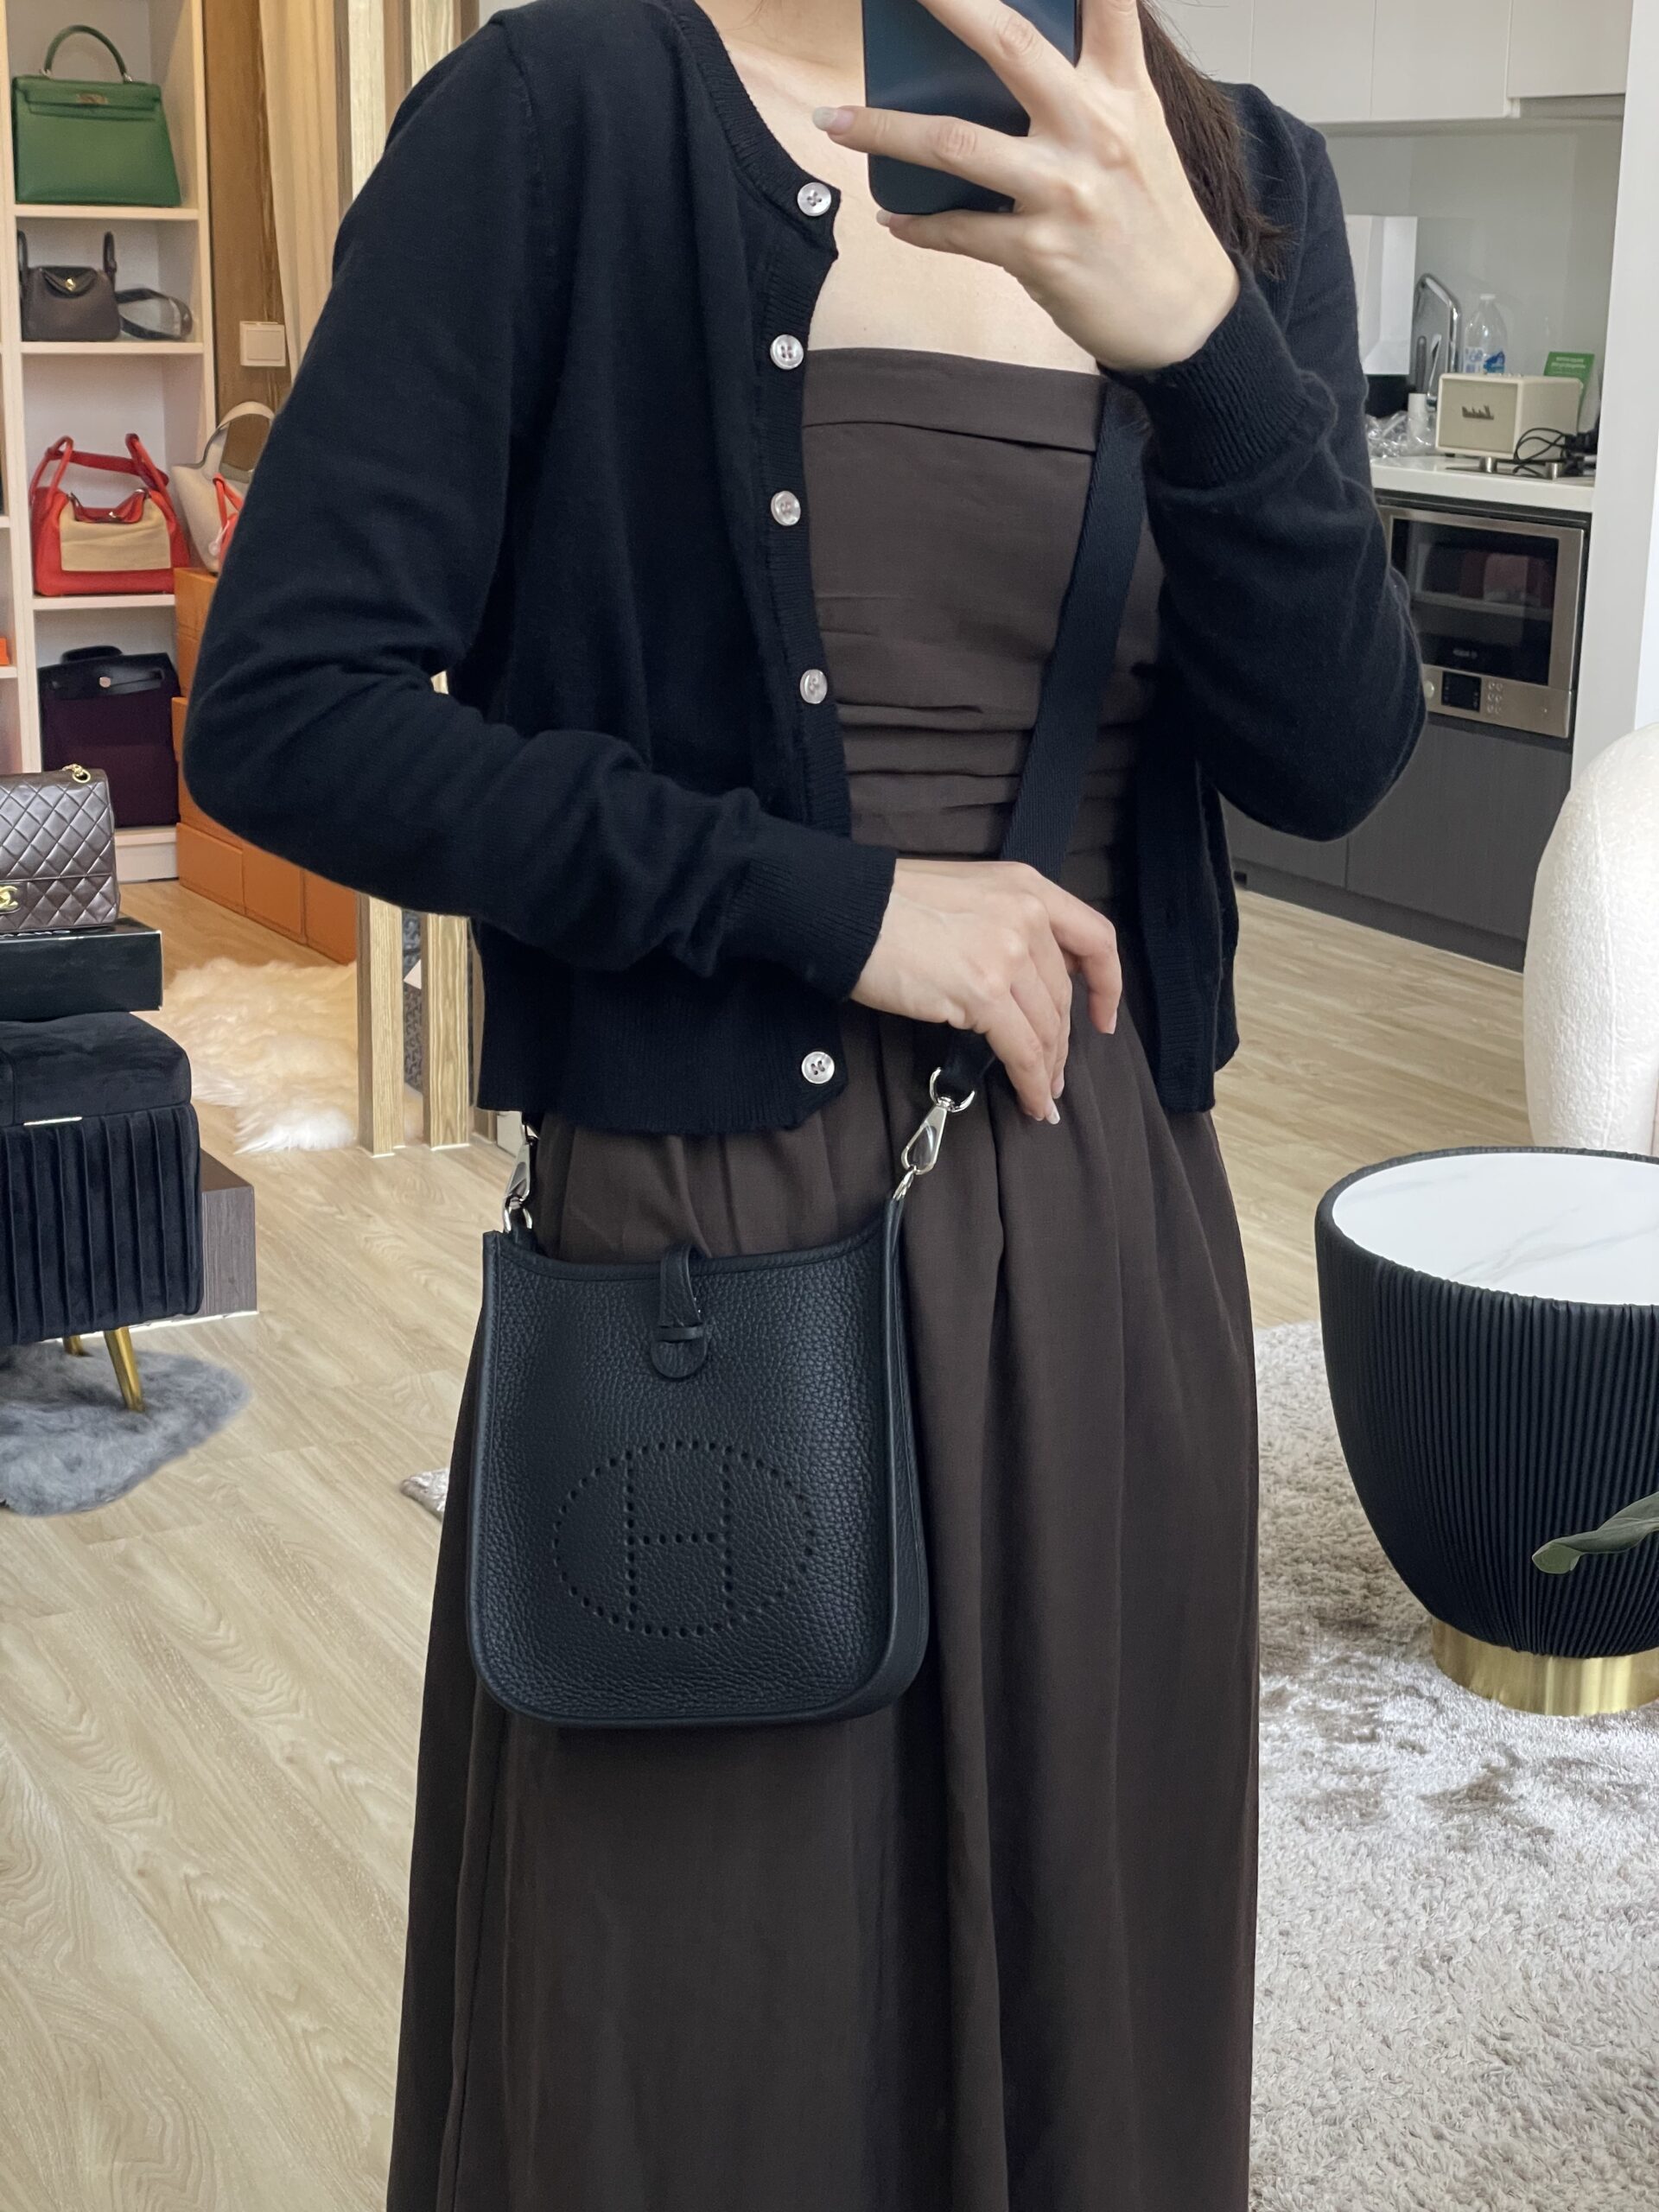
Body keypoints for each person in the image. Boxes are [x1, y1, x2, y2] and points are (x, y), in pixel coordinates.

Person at [182, 0, 1422, 2205]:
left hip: (1110, 1252)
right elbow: (289, 710)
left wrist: (1204, 343)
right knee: (705, 2041)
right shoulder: (558, 120)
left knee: (1092, 1996)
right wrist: (834, 905)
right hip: (713, 1247)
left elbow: (1331, 760)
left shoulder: (1251, 179)